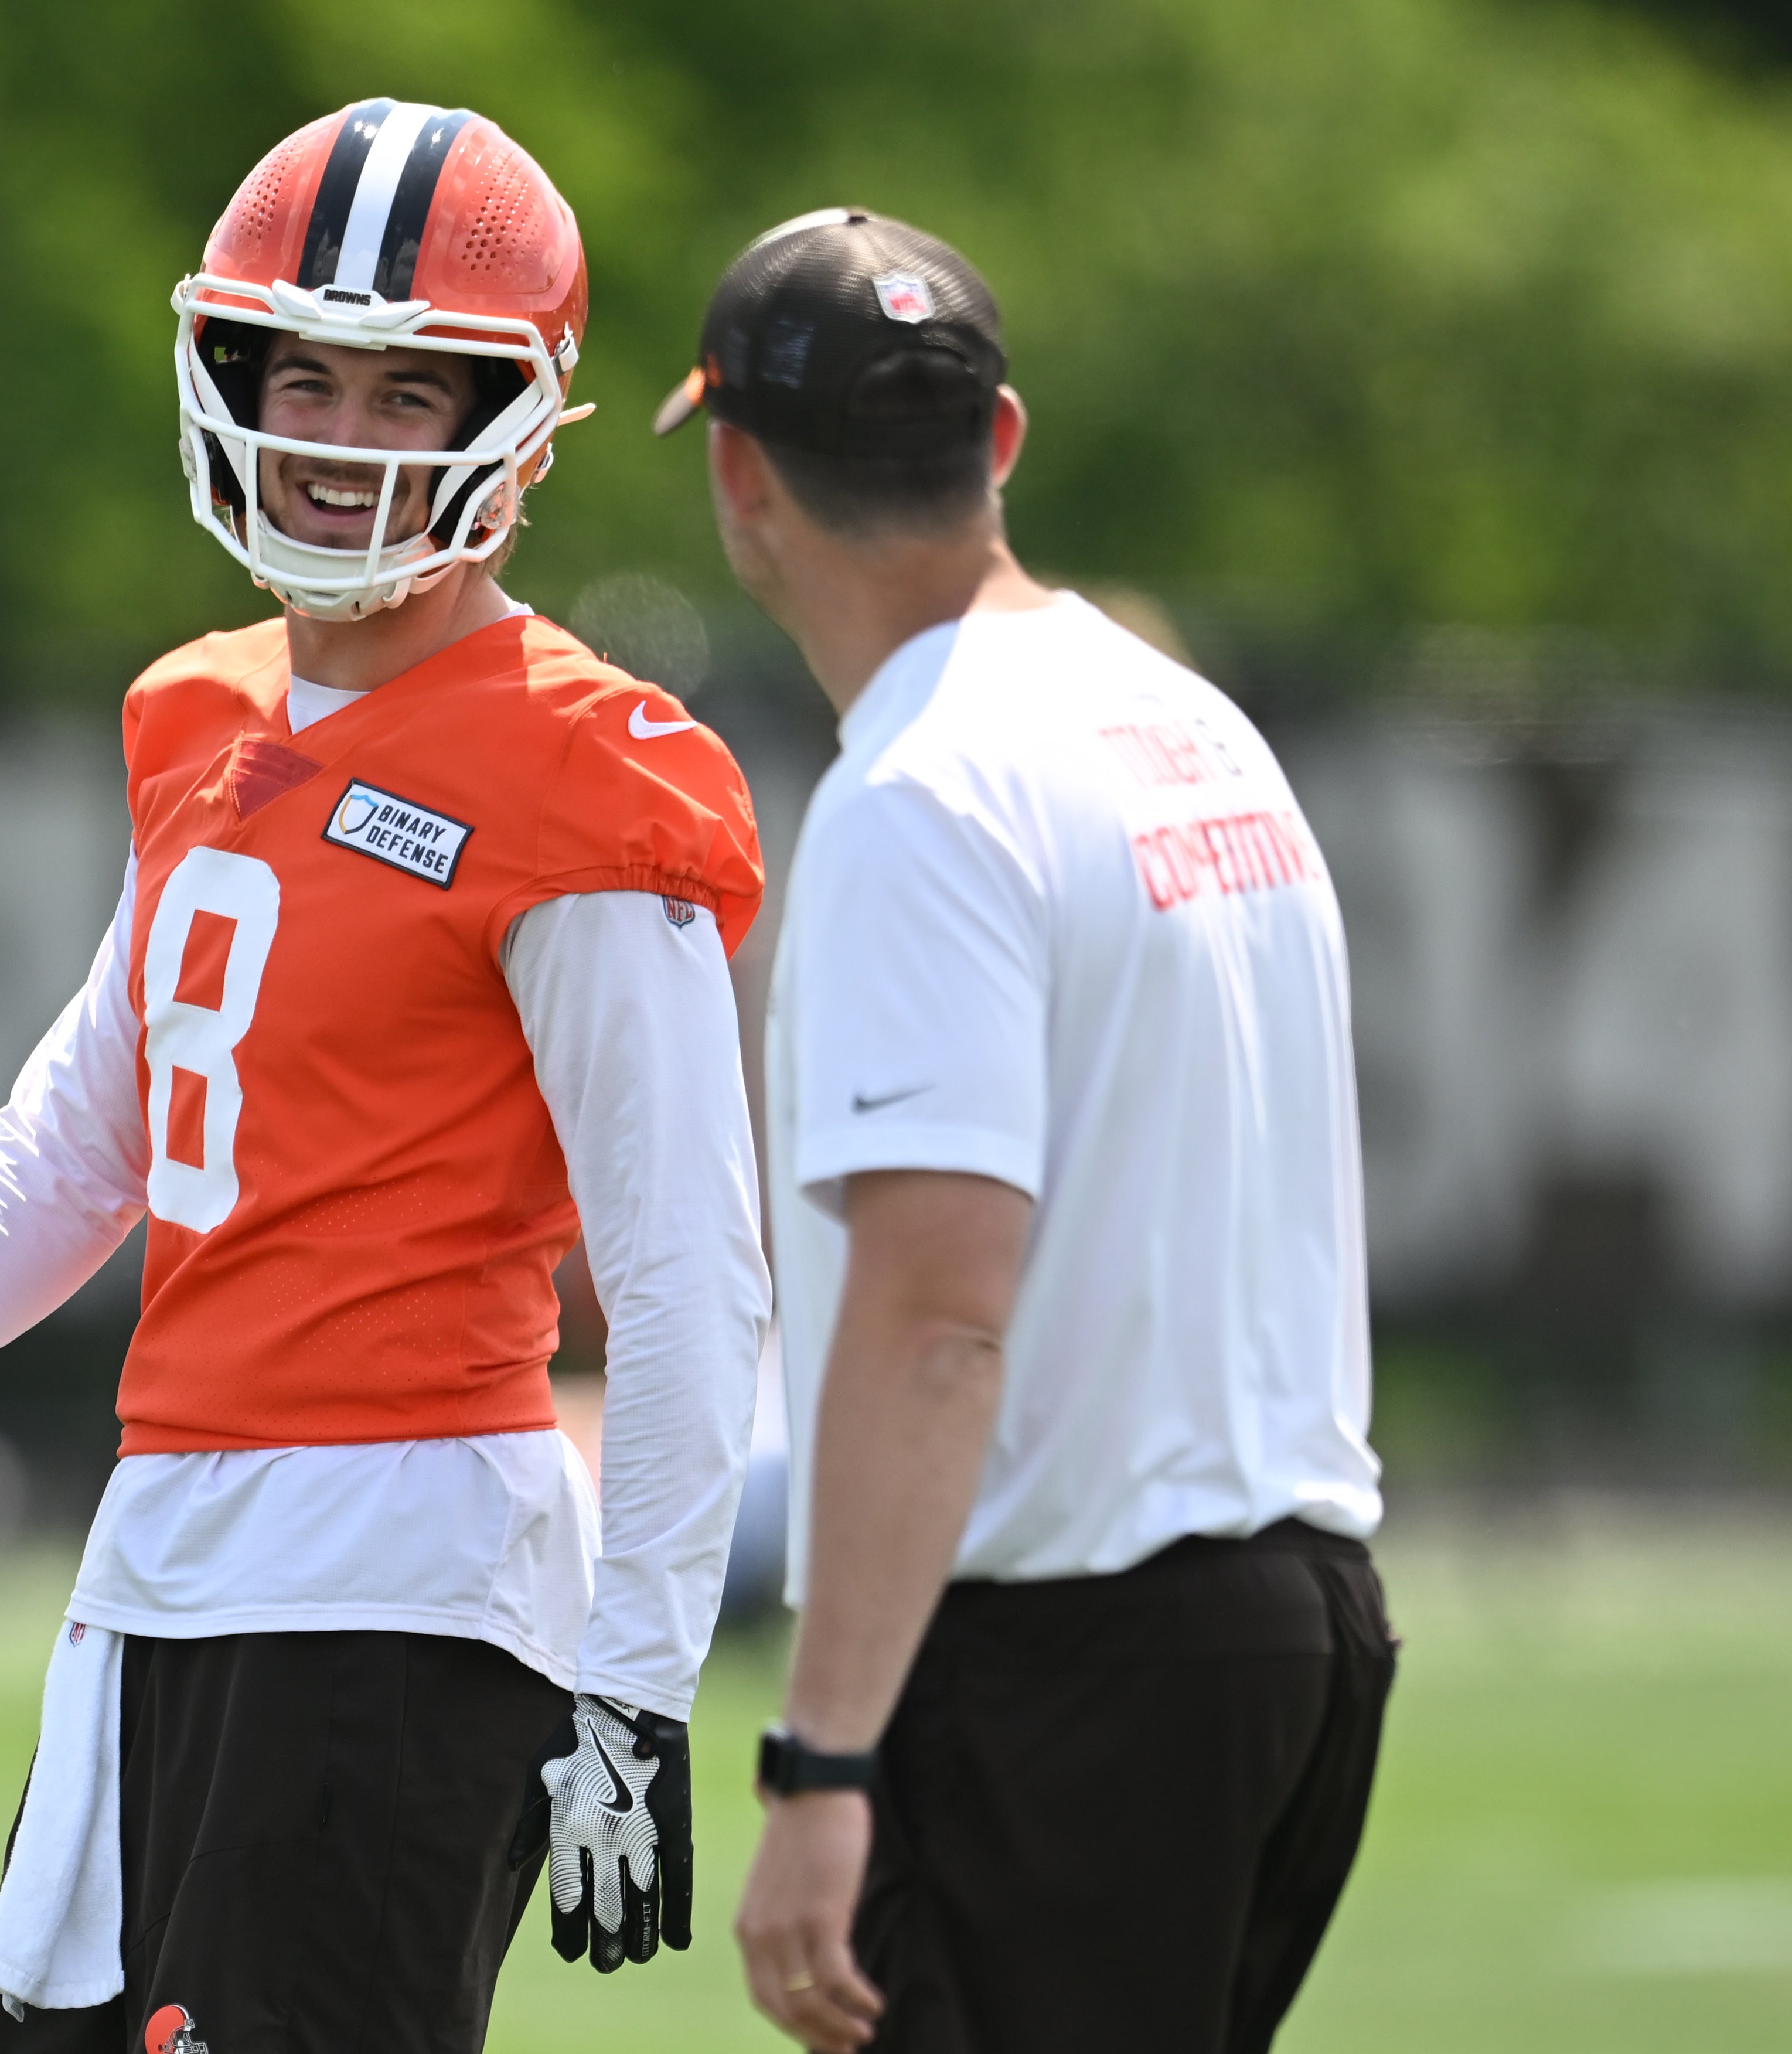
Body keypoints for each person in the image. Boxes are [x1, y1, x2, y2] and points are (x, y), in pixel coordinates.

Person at [0, 101, 771, 2054]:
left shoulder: (575, 770)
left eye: (399, 389)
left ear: (513, 426)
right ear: (221, 375)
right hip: (165, 1553)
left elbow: (691, 1260)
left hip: (401, 1566)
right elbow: (94, 1118)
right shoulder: (201, 709)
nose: (338, 438)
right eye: (301, 374)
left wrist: (636, 1674)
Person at [657, 210, 1395, 2054]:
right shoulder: (1188, 725)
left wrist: (819, 1755)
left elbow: (937, 1311)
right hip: (1297, 1623)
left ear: (739, 475)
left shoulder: (922, 792)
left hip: (1067, 1654)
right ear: (997, 442)